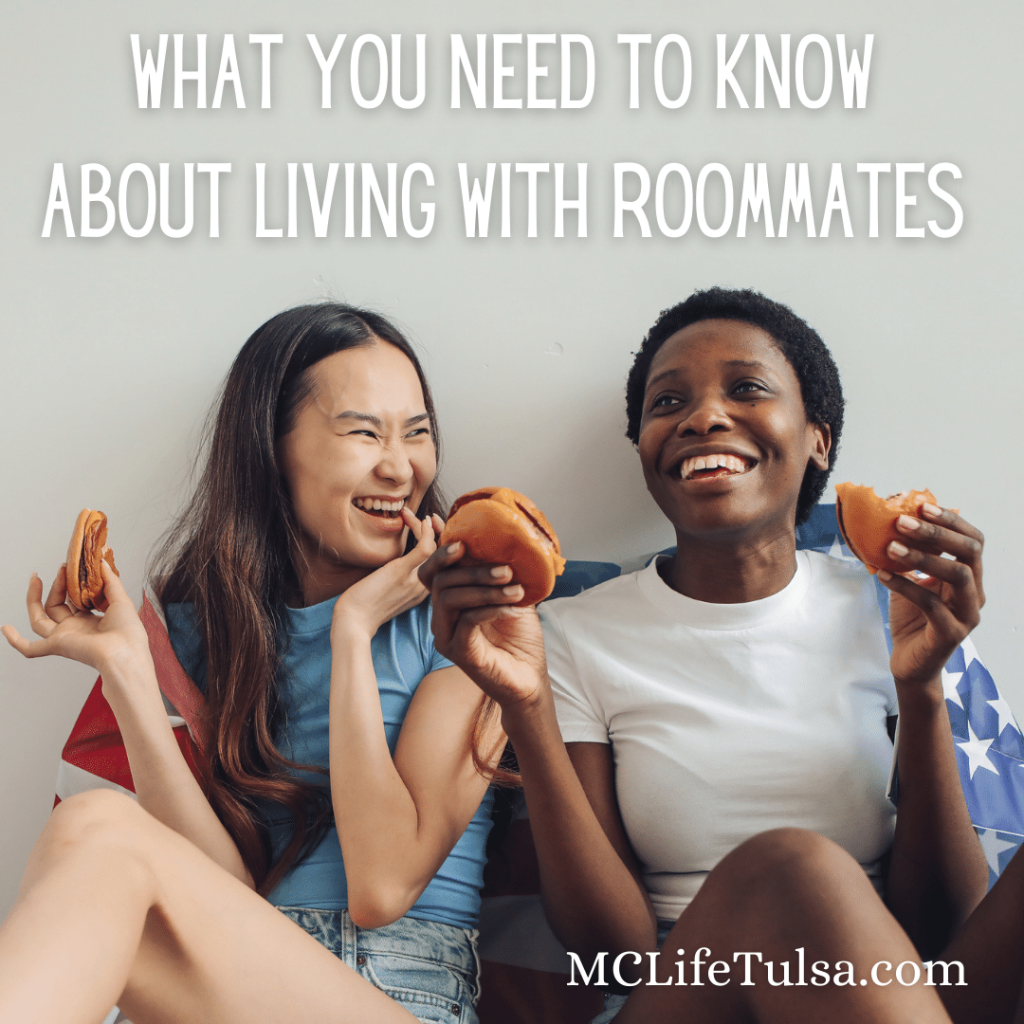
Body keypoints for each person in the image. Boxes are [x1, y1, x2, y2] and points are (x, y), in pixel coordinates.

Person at [422, 288, 1024, 1023]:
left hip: (893, 992)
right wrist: (526, 709)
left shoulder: (891, 605)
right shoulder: (573, 635)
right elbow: (610, 953)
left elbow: (941, 930)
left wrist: (923, 686)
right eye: (666, 402)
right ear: (645, 451)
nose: (702, 416)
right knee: (794, 868)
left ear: (817, 439)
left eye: (746, 388)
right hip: (688, 995)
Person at [0, 303, 504, 1024]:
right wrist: (130, 674)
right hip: (245, 983)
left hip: (403, 993)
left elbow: (381, 886)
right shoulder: (212, 635)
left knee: (96, 831)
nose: (400, 467)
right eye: (364, 432)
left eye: (416, 433)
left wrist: (354, 631)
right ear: (273, 448)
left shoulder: (471, 621)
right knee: (96, 826)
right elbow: (223, 890)